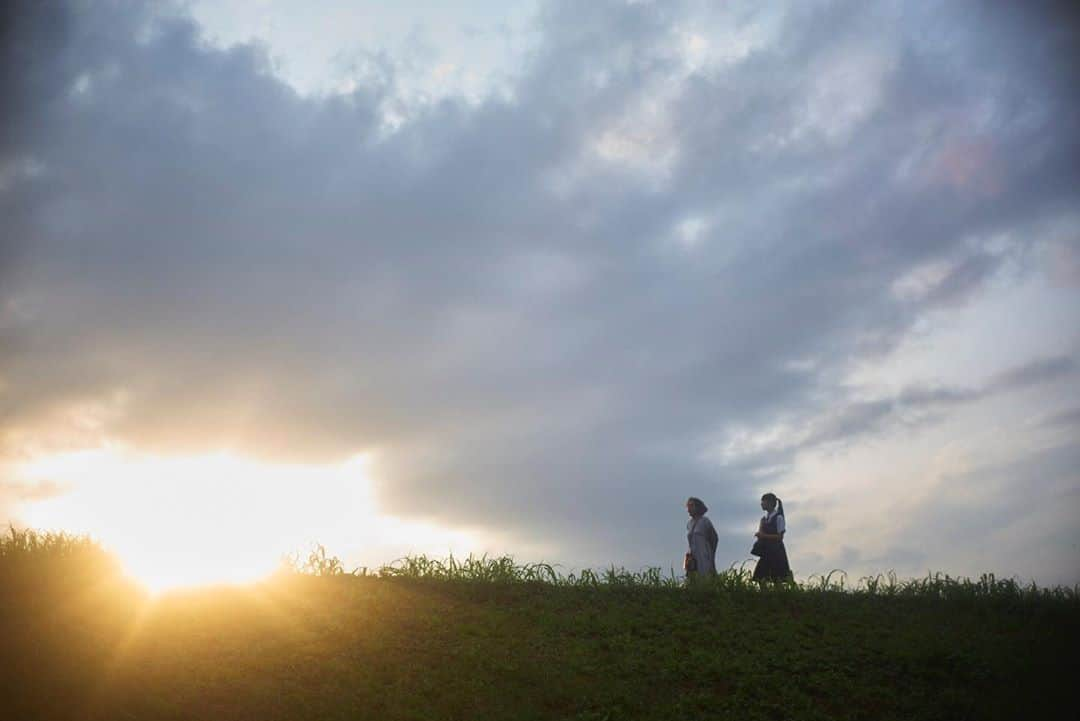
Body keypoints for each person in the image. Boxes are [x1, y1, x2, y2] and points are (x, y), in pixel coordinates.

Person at [752, 492, 792, 583]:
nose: (761, 504)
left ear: (769, 503)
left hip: (776, 550)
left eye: (763, 501)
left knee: (777, 579)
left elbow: (780, 537)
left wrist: (763, 536)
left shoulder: (779, 517)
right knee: (760, 577)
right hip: (766, 551)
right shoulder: (764, 519)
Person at [684, 497, 718, 578]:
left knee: (705, 575)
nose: (689, 509)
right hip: (693, 556)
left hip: (704, 554)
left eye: (691, 506)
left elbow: (714, 538)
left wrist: (711, 554)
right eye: (688, 506)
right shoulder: (689, 524)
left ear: (697, 507)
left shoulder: (705, 521)